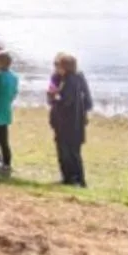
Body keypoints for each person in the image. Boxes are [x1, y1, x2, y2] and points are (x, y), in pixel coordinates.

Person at [47, 52, 93, 187]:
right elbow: (87, 101)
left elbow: (66, 101)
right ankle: (70, 178)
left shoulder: (71, 81)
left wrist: (54, 97)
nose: (56, 68)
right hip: (72, 121)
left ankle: (76, 179)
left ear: (65, 67)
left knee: (70, 151)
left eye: (58, 65)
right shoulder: (69, 79)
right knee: (67, 151)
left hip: (68, 122)